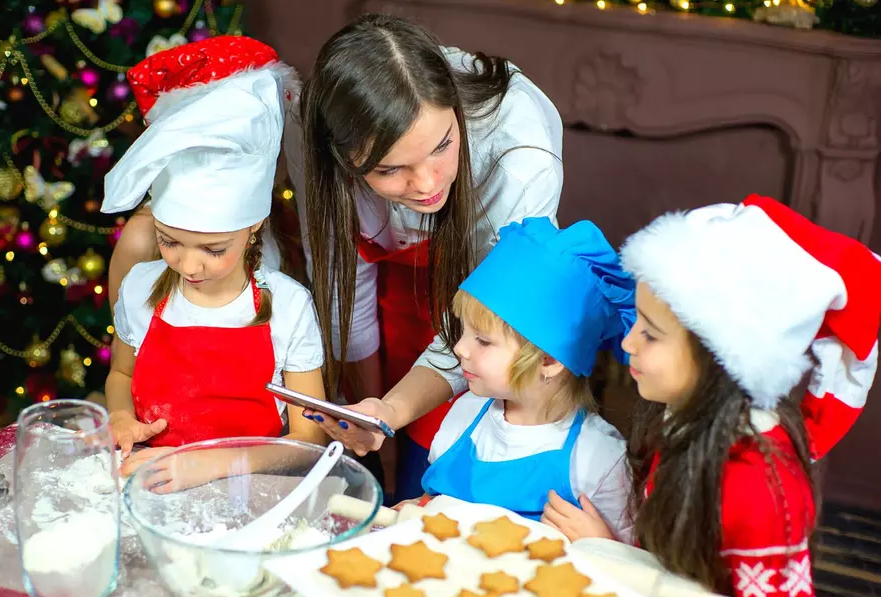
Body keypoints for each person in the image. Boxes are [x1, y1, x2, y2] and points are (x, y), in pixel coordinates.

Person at [544, 195, 881, 597]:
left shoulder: (758, 490)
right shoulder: (685, 429)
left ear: (721, 359)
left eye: (651, 332)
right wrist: (614, 551)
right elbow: (676, 566)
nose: (628, 342)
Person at [296, 14, 565, 501]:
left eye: (442, 146)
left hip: (481, 320)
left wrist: (395, 410)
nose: (425, 184)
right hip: (392, 295)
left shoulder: (521, 158)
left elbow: (485, 321)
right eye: (390, 168)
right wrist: (371, 411)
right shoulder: (314, 134)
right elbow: (344, 284)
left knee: (439, 475)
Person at [101, 36, 327, 485]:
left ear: (253, 228)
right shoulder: (141, 288)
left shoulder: (287, 305)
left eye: (213, 249)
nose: (188, 266)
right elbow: (121, 372)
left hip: (249, 490)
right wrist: (121, 417)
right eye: (170, 242)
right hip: (149, 482)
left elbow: (309, 440)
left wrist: (210, 465)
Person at [412, 219, 633, 539]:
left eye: (483, 340)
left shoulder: (598, 459)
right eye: (464, 332)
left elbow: (625, 569)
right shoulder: (464, 414)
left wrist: (601, 543)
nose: (459, 347)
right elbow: (432, 504)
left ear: (548, 360)